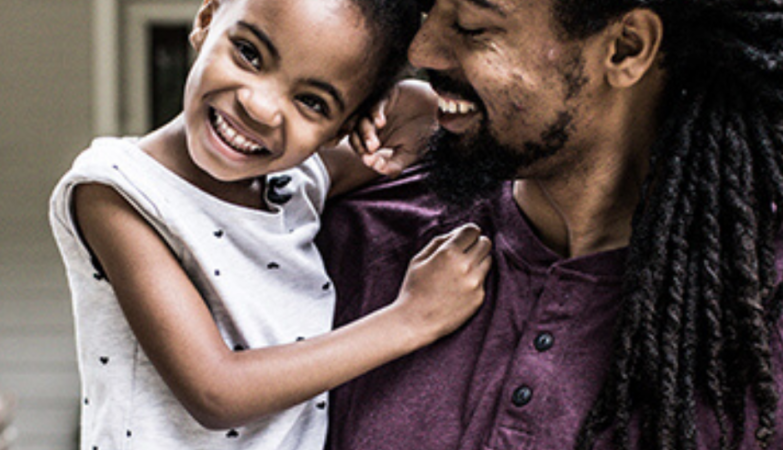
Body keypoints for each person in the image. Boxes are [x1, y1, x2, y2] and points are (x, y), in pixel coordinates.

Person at [318, 0, 783, 449]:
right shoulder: (352, 231)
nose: (421, 50)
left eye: (474, 26)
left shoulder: (761, 325)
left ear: (626, 47)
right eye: (428, 7)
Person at [49, 0, 492, 448]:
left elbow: (417, 122)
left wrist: (385, 112)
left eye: (312, 102)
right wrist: (411, 319)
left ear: (342, 128)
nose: (259, 107)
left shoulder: (294, 183)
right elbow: (215, 392)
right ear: (206, 19)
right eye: (249, 53)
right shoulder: (118, 189)